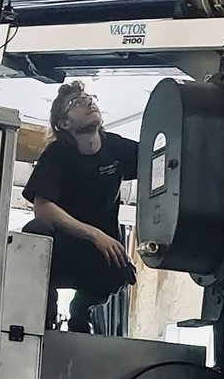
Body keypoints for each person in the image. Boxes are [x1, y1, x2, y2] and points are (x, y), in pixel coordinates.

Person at [24, 82, 140, 332]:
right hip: (62, 252)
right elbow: (42, 208)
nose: (89, 102)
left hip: (98, 258)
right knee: (35, 232)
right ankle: (45, 314)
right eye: (77, 102)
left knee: (122, 271)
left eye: (90, 98)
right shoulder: (58, 153)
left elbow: (161, 158)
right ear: (65, 124)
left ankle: (82, 309)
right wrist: (95, 234)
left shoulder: (116, 147)